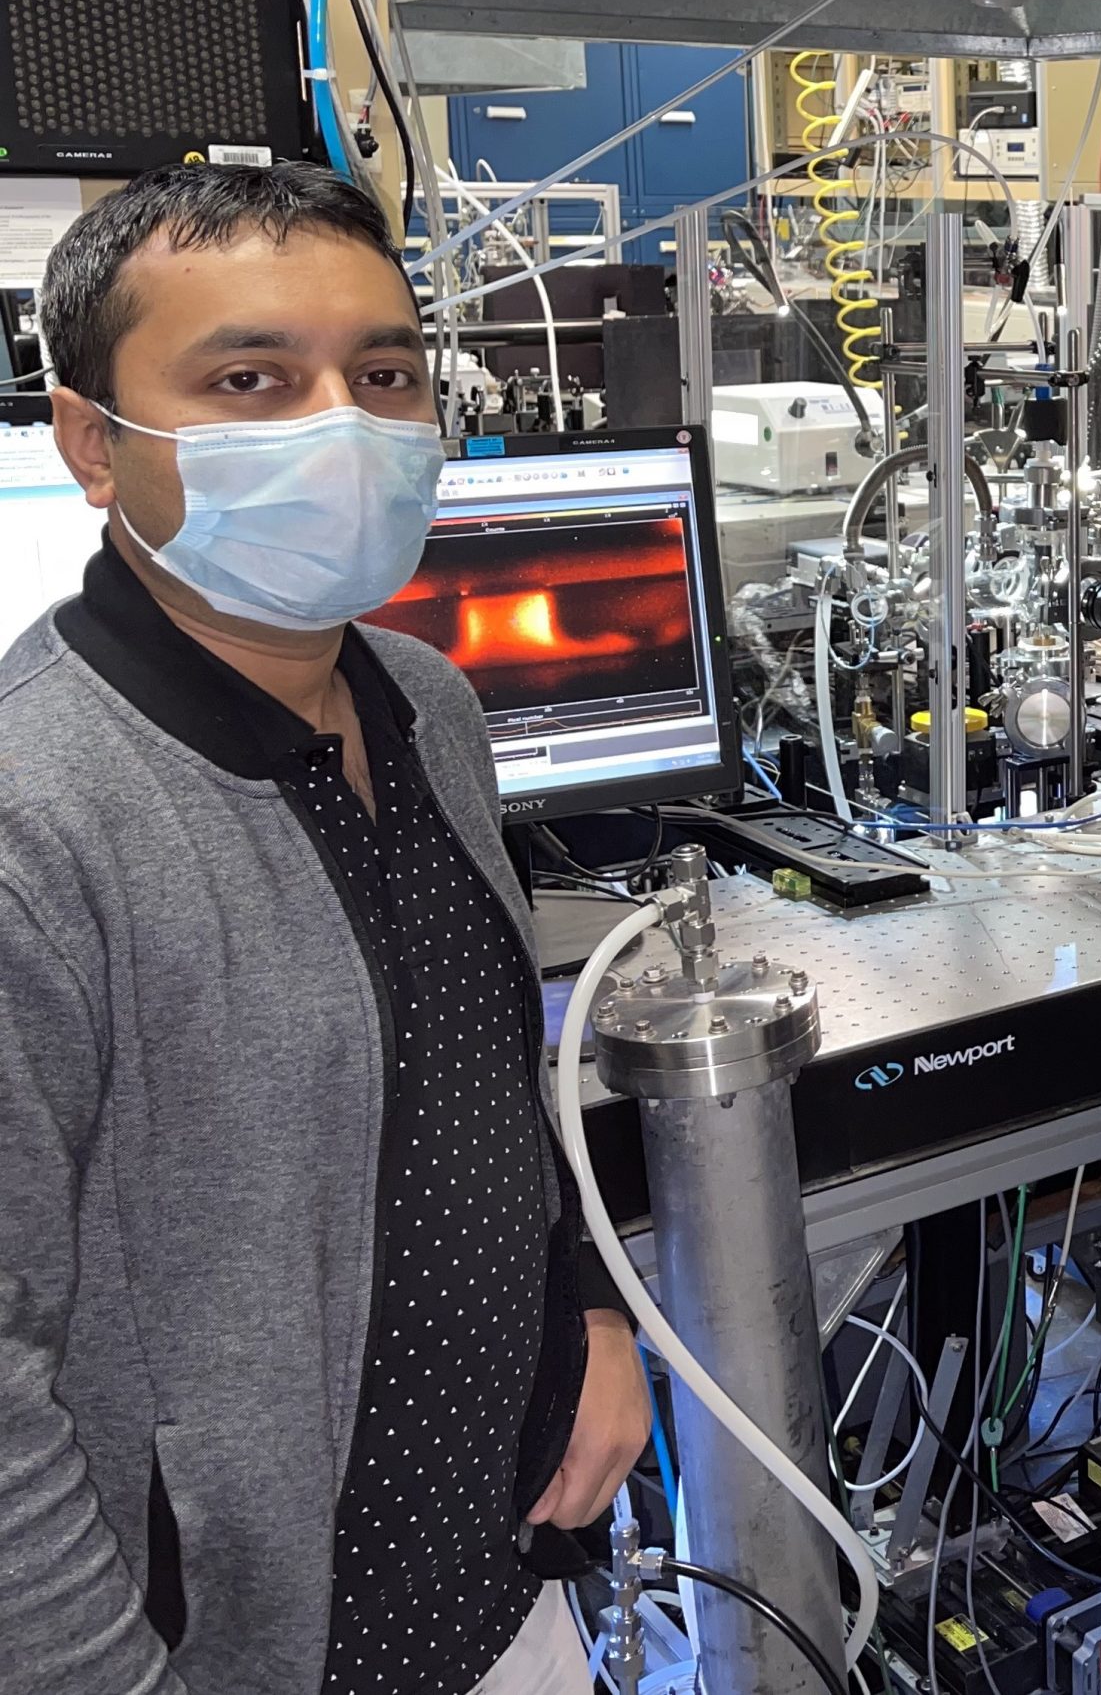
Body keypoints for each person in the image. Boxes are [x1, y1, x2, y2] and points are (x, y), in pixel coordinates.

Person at [0, 164, 651, 1695]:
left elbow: (487, 1073)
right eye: (250, 379)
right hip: (247, 1648)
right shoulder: (39, 824)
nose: (341, 424)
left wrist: (591, 1307)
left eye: (382, 373)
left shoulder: (421, 701)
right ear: (93, 441)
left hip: (503, 1582)